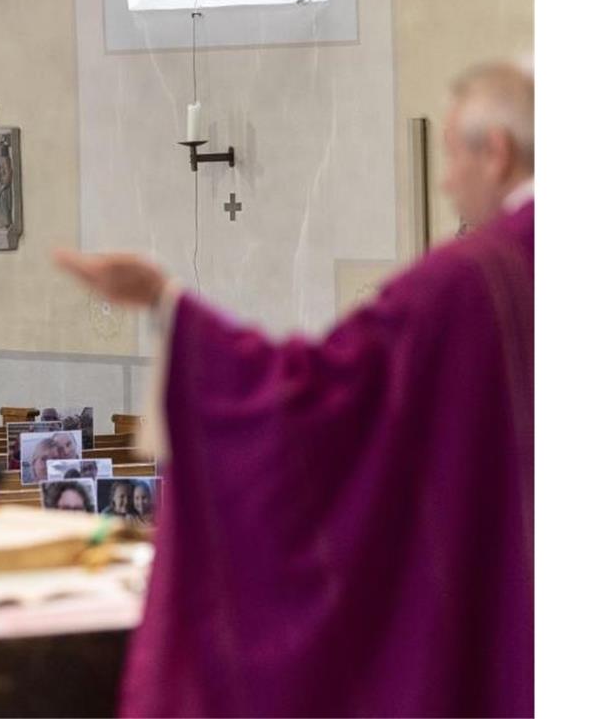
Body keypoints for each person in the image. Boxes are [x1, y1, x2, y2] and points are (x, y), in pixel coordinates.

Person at [54, 59, 534, 717]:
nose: (448, 184)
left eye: (452, 156)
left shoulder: (472, 281)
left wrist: (167, 304)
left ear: (498, 152)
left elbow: (313, 398)